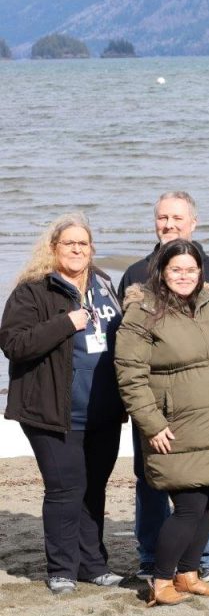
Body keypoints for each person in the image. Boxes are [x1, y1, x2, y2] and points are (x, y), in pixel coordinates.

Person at [115, 239, 209, 607]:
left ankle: (188, 574)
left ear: (200, 272)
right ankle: (161, 581)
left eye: (190, 269)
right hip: (176, 426)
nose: (183, 276)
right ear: (161, 271)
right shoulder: (143, 311)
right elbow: (130, 375)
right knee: (190, 506)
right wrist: (151, 423)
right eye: (175, 269)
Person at [0, 213, 124, 595]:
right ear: (53, 249)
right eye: (68, 243)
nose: (76, 249)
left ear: (92, 250)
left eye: (82, 243)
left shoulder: (104, 283)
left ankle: (93, 564)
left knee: (94, 489)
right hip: (53, 412)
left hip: (103, 411)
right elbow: (13, 343)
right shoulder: (34, 290)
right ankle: (61, 569)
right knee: (65, 489)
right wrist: (66, 323)